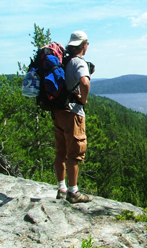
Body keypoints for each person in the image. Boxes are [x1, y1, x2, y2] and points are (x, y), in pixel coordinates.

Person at [54, 30, 93, 203]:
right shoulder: (78, 62)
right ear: (84, 44)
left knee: (60, 151)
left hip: (58, 110)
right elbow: (84, 82)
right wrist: (83, 99)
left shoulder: (64, 61)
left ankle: (61, 189)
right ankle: (73, 192)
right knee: (74, 153)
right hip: (73, 112)